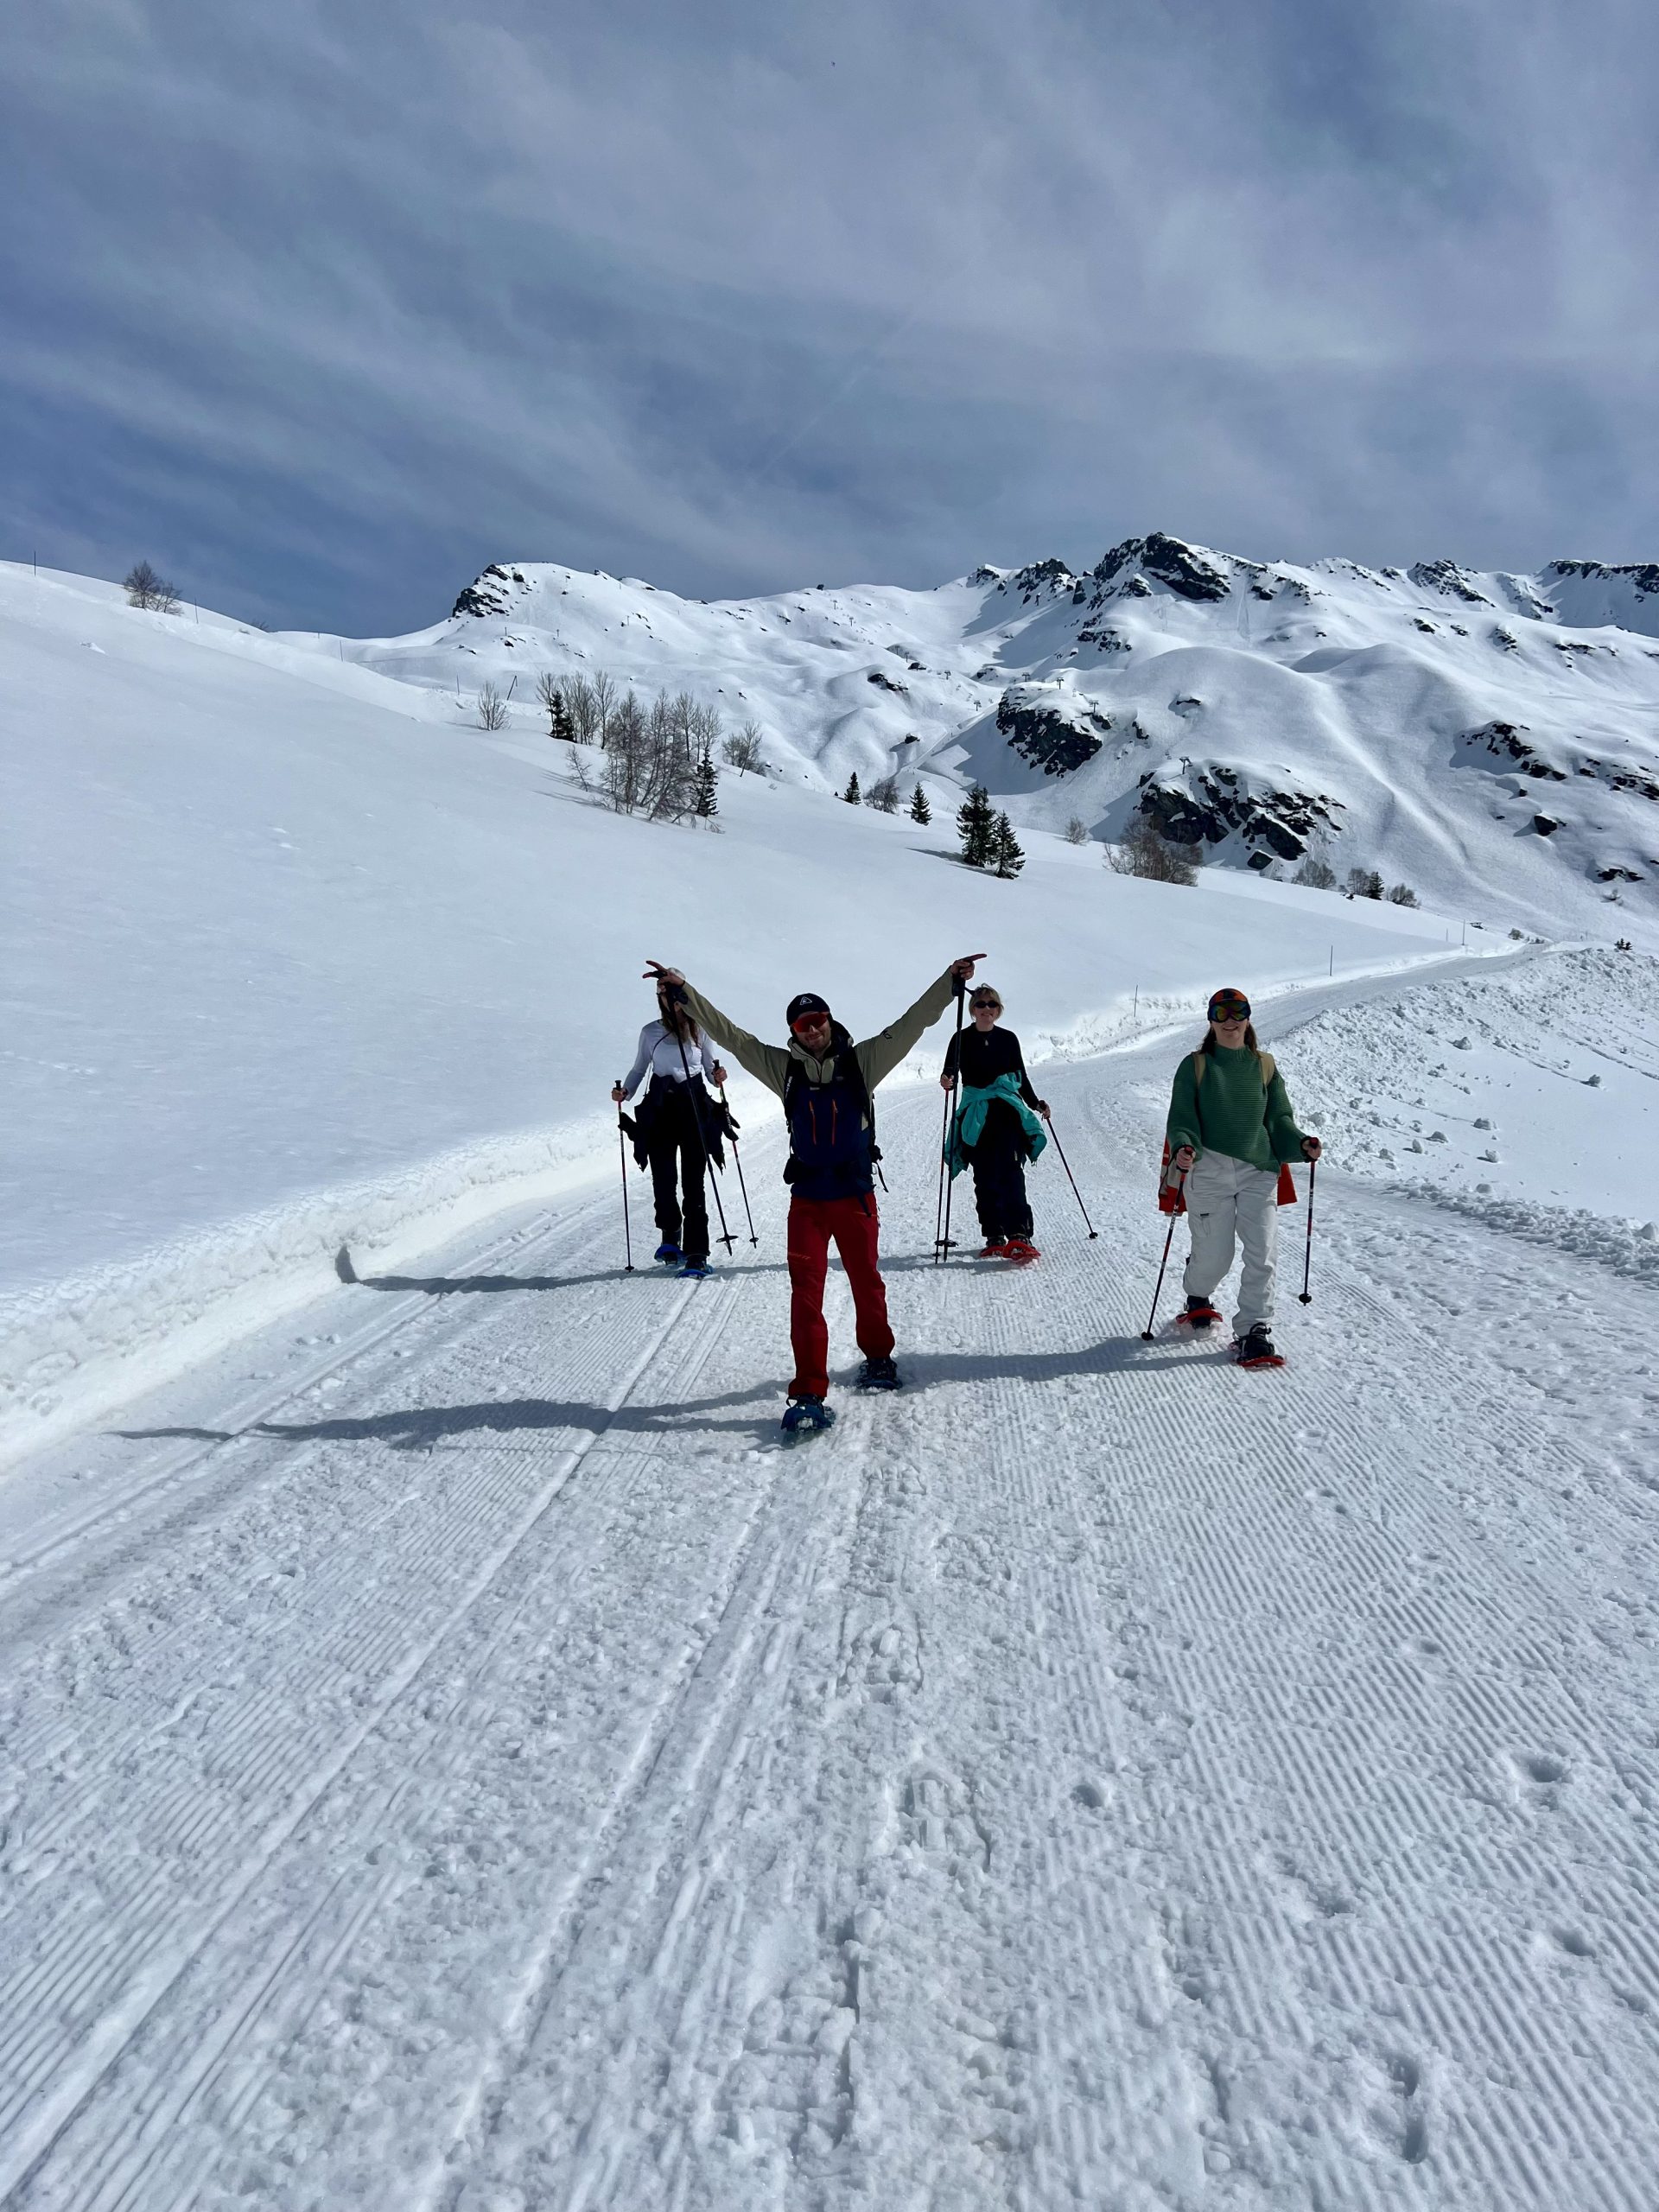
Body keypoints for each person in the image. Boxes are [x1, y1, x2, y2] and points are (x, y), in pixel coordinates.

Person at [645, 954, 983, 1430]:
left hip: (854, 1197)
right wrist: (684, 993)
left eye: (819, 1020)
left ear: (829, 1020)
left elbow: (911, 1025)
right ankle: (807, 1391)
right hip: (806, 1201)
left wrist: (948, 983)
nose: (813, 1030)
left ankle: (879, 1357)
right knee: (805, 1293)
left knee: (867, 1280)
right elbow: (731, 1036)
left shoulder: (863, 1060)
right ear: (794, 1030)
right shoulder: (782, 1068)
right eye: (804, 1024)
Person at [1165, 986, 1322, 1364]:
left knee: (1262, 1252)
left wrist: (1300, 1144)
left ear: (1249, 1017)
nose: (1230, 1021)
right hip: (1208, 1169)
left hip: (1259, 1170)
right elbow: (1182, 1116)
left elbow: (1279, 1119)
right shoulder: (1196, 1064)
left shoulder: (1264, 1065)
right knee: (1216, 1256)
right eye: (1221, 1013)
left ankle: (1254, 1330)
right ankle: (1197, 1294)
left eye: (1238, 1012)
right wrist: (1185, 1146)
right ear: (1211, 1021)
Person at [612, 982, 729, 1278]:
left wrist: (718, 1077)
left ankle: (696, 1252)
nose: (670, 1001)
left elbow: (709, 1071)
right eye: (664, 996)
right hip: (660, 1107)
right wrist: (626, 1092)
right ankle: (670, 1235)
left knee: (693, 1182)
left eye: (675, 995)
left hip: (694, 1107)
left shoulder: (699, 1029)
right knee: (663, 1179)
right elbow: (640, 1068)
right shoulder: (650, 1031)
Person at [940, 983, 1050, 1258]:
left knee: (1012, 1173)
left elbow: (1020, 1077)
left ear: (998, 1010)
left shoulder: (1009, 1039)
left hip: (1007, 1113)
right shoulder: (960, 1039)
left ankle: (1019, 1233)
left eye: (992, 1005)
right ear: (972, 1009)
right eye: (981, 1004)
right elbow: (949, 1072)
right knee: (985, 1176)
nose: (986, 1009)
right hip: (977, 1115)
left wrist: (1035, 1103)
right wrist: (947, 1079)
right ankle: (994, 1235)